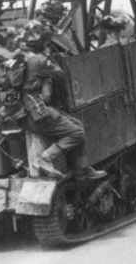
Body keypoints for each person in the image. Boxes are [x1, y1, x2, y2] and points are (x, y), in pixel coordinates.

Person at [18, 20, 107, 181]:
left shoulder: (18, 58)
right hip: (38, 112)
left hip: (23, 111)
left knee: (77, 124)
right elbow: (60, 73)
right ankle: (46, 158)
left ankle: (81, 169)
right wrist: (47, 56)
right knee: (77, 133)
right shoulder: (39, 61)